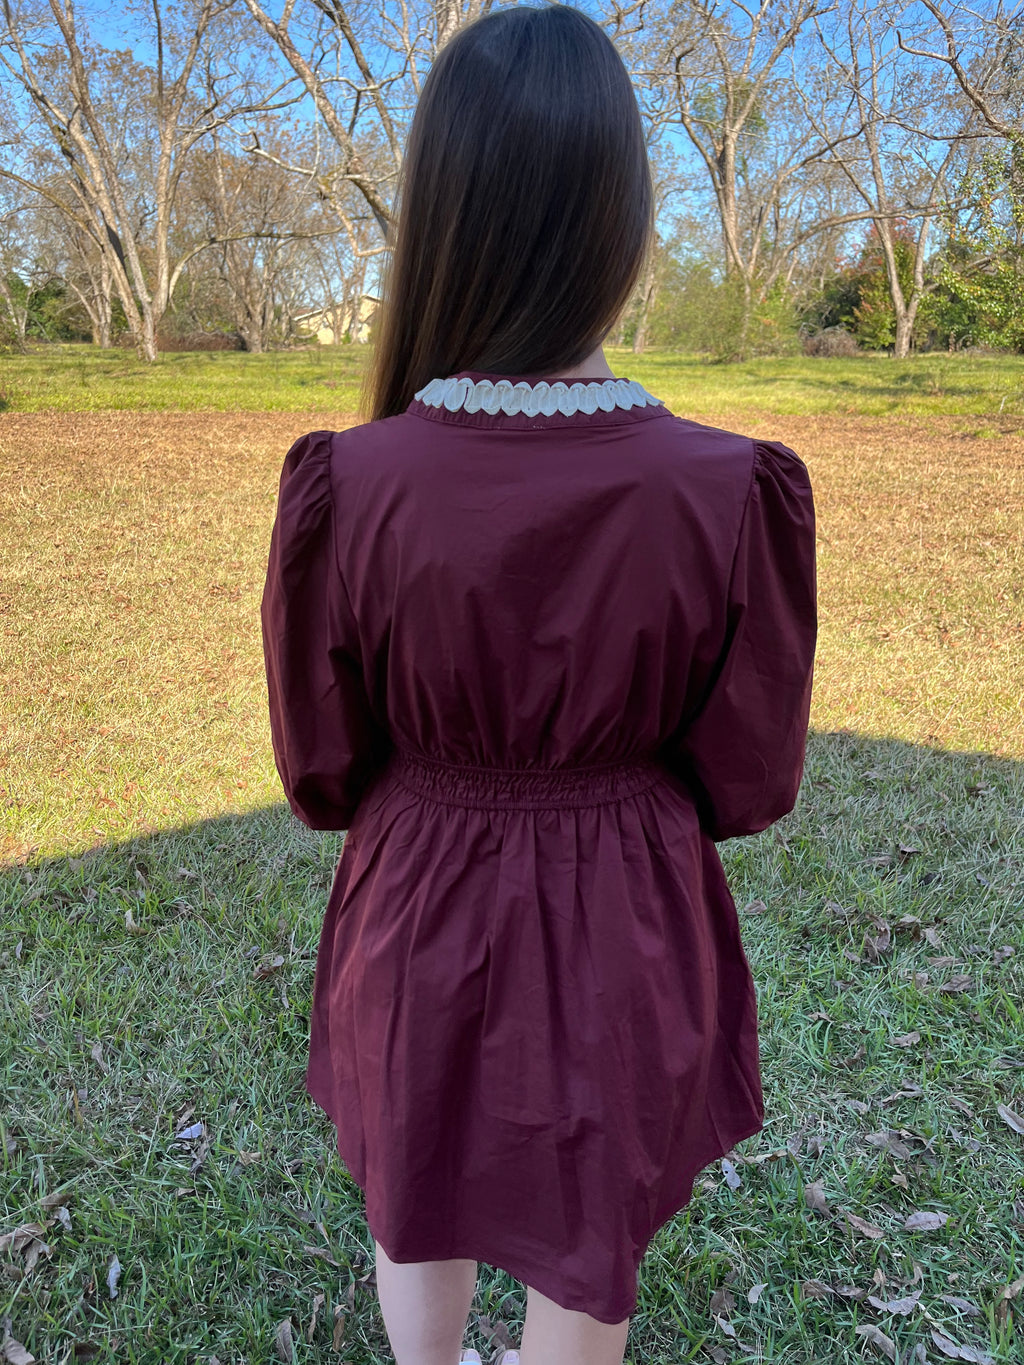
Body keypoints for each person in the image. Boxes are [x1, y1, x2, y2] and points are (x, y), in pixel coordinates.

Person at [260, 5, 818, 1365]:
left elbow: (322, 766)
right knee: (595, 1210)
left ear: (440, 218)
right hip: (627, 908)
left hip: (417, 892)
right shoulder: (728, 488)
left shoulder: (357, 482)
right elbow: (751, 777)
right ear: (624, 225)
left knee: (417, 1172)